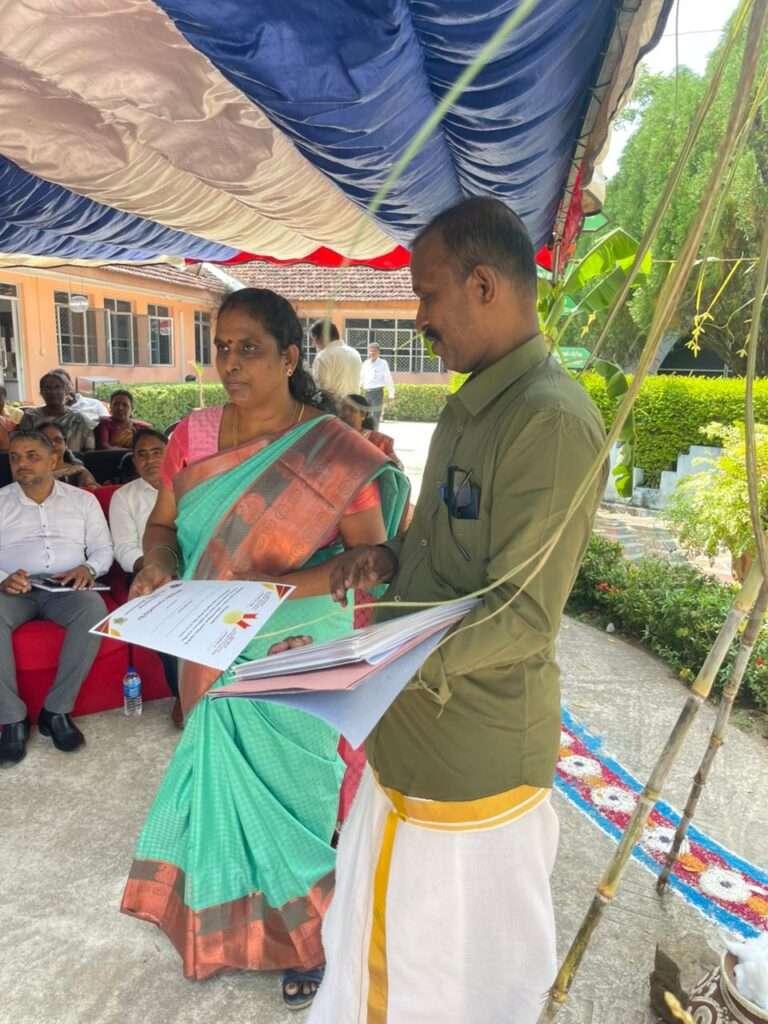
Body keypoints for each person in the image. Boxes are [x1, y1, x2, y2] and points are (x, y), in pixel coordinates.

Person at [309, 198, 608, 1024]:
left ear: (483, 285)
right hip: (408, 738)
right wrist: (387, 558)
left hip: (470, 761)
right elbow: (437, 544)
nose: (419, 318)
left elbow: (522, 616)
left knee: (443, 985)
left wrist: (373, 663)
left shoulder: (549, 420)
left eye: (427, 293)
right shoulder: (473, 403)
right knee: (379, 957)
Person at [119, 288, 409, 1007]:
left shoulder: (335, 449)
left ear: (288, 358)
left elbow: (373, 556)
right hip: (209, 635)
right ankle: (229, 929)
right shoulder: (193, 437)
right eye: (221, 347)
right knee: (222, 781)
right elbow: (164, 527)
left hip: (296, 642)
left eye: (248, 348)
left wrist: (286, 584)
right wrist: (157, 563)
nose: (230, 362)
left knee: (296, 792)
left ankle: (310, 936)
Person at [0, 430, 113, 766]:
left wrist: (88, 568)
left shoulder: (83, 501)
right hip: (13, 589)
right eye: (15, 457)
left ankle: (56, 711)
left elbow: (103, 549)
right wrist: (3, 578)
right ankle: (12, 720)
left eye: (32, 456)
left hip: (65, 586)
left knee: (93, 608)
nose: (21, 463)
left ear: (53, 460)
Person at [108, 428, 181, 725]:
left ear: (170, 455)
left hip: (192, 570)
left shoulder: (189, 485)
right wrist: (155, 569)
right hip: (146, 573)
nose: (150, 460)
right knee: (167, 619)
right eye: (142, 454)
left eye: (157, 452)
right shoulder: (124, 497)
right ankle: (182, 695)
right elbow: (124, 548)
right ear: (134, 461)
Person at [20, 373, 94, 452]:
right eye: (48, 388)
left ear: (66, 391)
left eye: (58, 387)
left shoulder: (78, 419)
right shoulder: (31, 416)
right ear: (41, 392)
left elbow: (90, 450)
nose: (53, 392)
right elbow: (22, 445)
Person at [340, 394, 403, 470]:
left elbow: (399, 467)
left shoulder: (379, 441)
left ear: (363, 415)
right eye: (342, 409)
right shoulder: (333, 437)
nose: (345, 413)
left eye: (352, 409)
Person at [310, 320, 362, 402]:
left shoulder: (323, 356)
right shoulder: (355, 353)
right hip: (354, 407)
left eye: (313, 339)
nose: (313, 344)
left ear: (320, 338)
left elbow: (321, 390)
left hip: (333, 407)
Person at [38, 420, 98, 490]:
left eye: (58, 440)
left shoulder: (79, 471)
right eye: (46, 440)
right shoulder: (31, 473)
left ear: (66, 444)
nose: (53, 444)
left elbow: (96, 491)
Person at [360, 342, 395, 429]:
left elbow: (388, 378)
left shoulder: (383, 363)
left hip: (377, 393)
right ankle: (367, 433)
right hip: (367, 393)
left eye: (374, 351)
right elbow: (361, 378)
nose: (372, 353)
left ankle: (375, 433)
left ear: (378, 352)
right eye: (370, 351)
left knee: (376, 416)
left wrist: (391, 394)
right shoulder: (365, 363)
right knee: (365, 416)